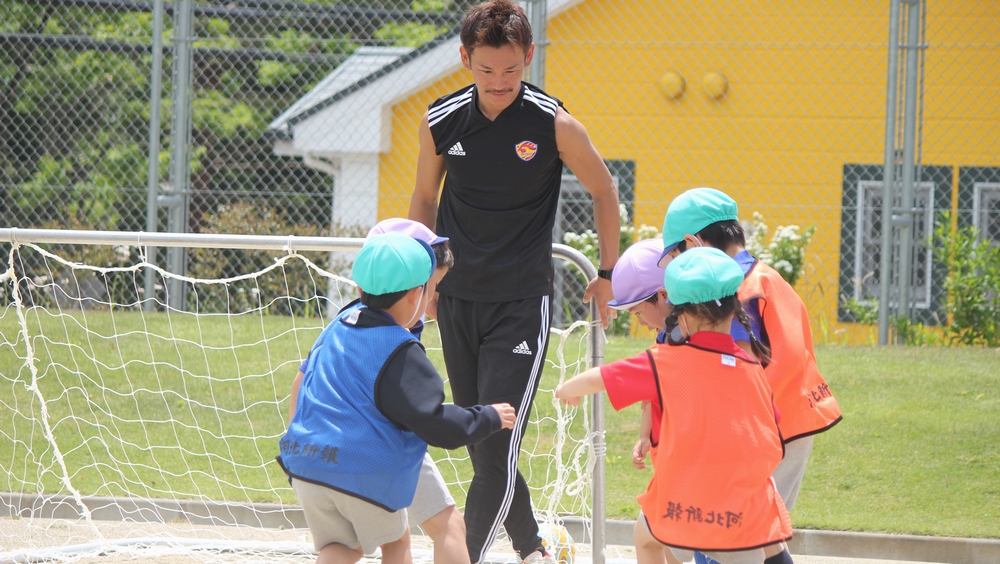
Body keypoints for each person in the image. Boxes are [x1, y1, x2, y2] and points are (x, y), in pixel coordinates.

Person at [407, 0, 621, 561]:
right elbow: (424, 199)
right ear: (465, 59)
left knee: (497, 446)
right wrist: (423, 280)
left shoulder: (554, 123)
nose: (499, 81)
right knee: (482, 445)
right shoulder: (441, 120)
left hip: (521, 303)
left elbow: (605, 191)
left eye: (510, 69)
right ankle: (532, 548)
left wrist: (606, 272)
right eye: (486, 69)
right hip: (457, 298)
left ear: (528, 57)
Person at [278, 233, 516, 564]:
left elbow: (302, 381)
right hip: (362, 467)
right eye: (432, 289)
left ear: (359, 289)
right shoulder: (398, 348)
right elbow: (433, 421)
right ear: (418, 294)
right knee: (397, 541)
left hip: (306, 461)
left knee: (341, 547)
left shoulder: (337, 327)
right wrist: (487, 416)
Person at [556, 247, 794, 564]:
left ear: (680, 315)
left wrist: (568, 388)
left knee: (647, 538)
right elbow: (771, 425)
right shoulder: (752, 367)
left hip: (691, 505)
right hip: (747, 505)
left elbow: (603, 377)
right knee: (768, 544)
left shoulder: (667, 360)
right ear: (734, 312)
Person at [657, 188, 842, 514]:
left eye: (675, 256)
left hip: (765, 430)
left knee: (740, 527)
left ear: (692, 243)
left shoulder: (734, 288)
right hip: (793, 416)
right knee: (765, 526)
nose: (676, 266)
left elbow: (736, 366)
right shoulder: (768, 276)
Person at [603, 238, 672, 564]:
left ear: (664, 295)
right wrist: (645, 436)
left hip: (686, 463)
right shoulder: (667, 337)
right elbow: (650, 396)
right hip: (671, 457)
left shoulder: (679, 344)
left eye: (638, 311)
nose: (640, 321)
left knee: (650, 538)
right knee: (668, 545)